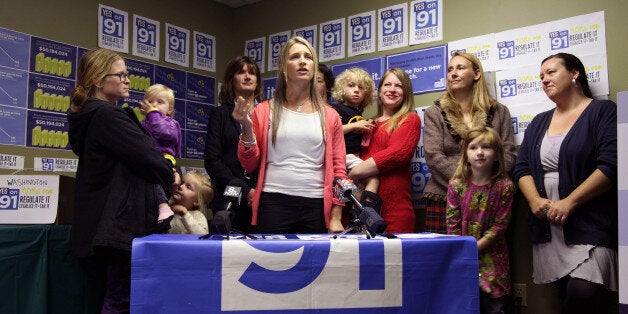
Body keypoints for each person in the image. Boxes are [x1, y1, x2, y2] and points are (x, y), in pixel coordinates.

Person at [67, 48, 174, 313]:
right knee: (120, 301)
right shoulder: (107, 116)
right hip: (115, 231)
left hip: (99, 231)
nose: (127, 80)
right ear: (98, 80)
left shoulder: (90, 116)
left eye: (127, 74)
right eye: (120, 75)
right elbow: (151, 160)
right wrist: (167, 169)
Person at [512, 52, 617, 314]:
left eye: (551, 72)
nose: (544, 79)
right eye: (541, 76)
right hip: (549, 226)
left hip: (588, 220)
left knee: (582, 292)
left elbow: (611, 165)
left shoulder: (602, 111)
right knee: (565, 291)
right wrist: (534, 200)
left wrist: (570, 201)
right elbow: (522, 167)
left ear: (574, 73)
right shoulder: (538, 122)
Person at [233, 36, 346, 234]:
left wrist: (336, 217)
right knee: (271, 263)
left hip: (316, 206)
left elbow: (339, 170)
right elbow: (249, 165)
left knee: (314, 265)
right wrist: (246, 127)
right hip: (273, 202)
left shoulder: (330, 116)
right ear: (284, 67)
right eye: (295, 57)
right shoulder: (265, 110)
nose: (303, 61)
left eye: (308, 57)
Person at [423, 51, 516, 234]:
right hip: (444, 196)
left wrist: (484, 183)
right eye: (450, 70)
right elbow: (434, 156)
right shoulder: (434, 112)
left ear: (476, 74)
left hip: (491, 196)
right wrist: (469, 183)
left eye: (460, 68)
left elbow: (508, 154)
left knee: (488, 258)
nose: (453, 73)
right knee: (444, 260)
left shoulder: (499, 111)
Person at [446, 126, 515, 314]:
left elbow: (500, 226)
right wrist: (464, 249)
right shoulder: (456, 185)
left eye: (486, 147)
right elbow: (452, 224)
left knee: (495, 306)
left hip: (494, 258)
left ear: (496, 154)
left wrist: (474, 246)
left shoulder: (504, 187)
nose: (480, 152)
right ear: (466, 155)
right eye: (473, 147)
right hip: (463, 255)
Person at [348, 68, 421, 233]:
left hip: (395, 214)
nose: (392, 90)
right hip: (361, 212)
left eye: (399, 86)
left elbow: (397, 154)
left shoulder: (409, 119)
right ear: (379, 92)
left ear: (406, 92)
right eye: (387, 84)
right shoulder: (366, 124)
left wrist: (354, 173)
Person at [204, 56, 262, 233]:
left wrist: (257, 191)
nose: (247, 76)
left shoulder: (268, 113)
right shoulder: (220, 114)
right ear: (231, 79)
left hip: (263, 200)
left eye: (252, 73)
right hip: (229, 198)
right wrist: (246, 190)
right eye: (241, 72)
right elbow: (212, 160)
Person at [330, 67, 379, 204]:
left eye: (361, 87)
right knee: (373, 179)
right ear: (341, 88)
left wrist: (366, 124)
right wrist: (355, 125)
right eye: (351, 85)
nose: (356, 90)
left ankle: (356, 214)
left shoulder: (357, 112)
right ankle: (364, 214)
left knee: (357, 188)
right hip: (343, 156)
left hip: (352, 157)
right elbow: (330, 131)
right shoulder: (336, 108)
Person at [140, 83, 182, 222]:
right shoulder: (143, 123)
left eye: (160, 102)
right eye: (150, 101)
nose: (154, 105)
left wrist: (153, 114)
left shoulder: (170, 123)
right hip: (148, 159)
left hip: (165, 159)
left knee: (153, 178)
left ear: (169, 109)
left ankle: (163, 206)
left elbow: (165, 133)